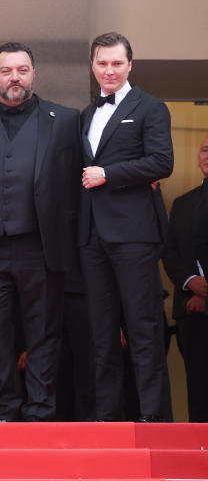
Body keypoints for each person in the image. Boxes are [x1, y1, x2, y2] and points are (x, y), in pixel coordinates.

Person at [0, 42, 80, 421]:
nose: (15, 78)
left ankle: (40, 411)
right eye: (7, 71)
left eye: (22, 70)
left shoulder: (66, 119)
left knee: (43, 333)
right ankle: (6, 410)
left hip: (40, 247)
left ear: (33, 74)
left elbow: (83, 174)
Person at [78, 31, 173, 422]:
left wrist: (109, 173)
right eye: (102, 63)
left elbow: (161, 162)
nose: (110, 70)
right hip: (93, 237)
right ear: (93, 66)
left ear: (130, 65)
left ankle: (154, 420)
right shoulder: (87, 113)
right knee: (102, 336)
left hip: (134, 235)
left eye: (117, 63)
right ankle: (108, 422)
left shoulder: (151, 107)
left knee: (143, 330)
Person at [162, 133, 208, 422]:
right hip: (190, 312)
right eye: (205, 149)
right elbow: (169, 251)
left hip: (199, 301)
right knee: (199, 390)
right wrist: (192, 283)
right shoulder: (182, 203)